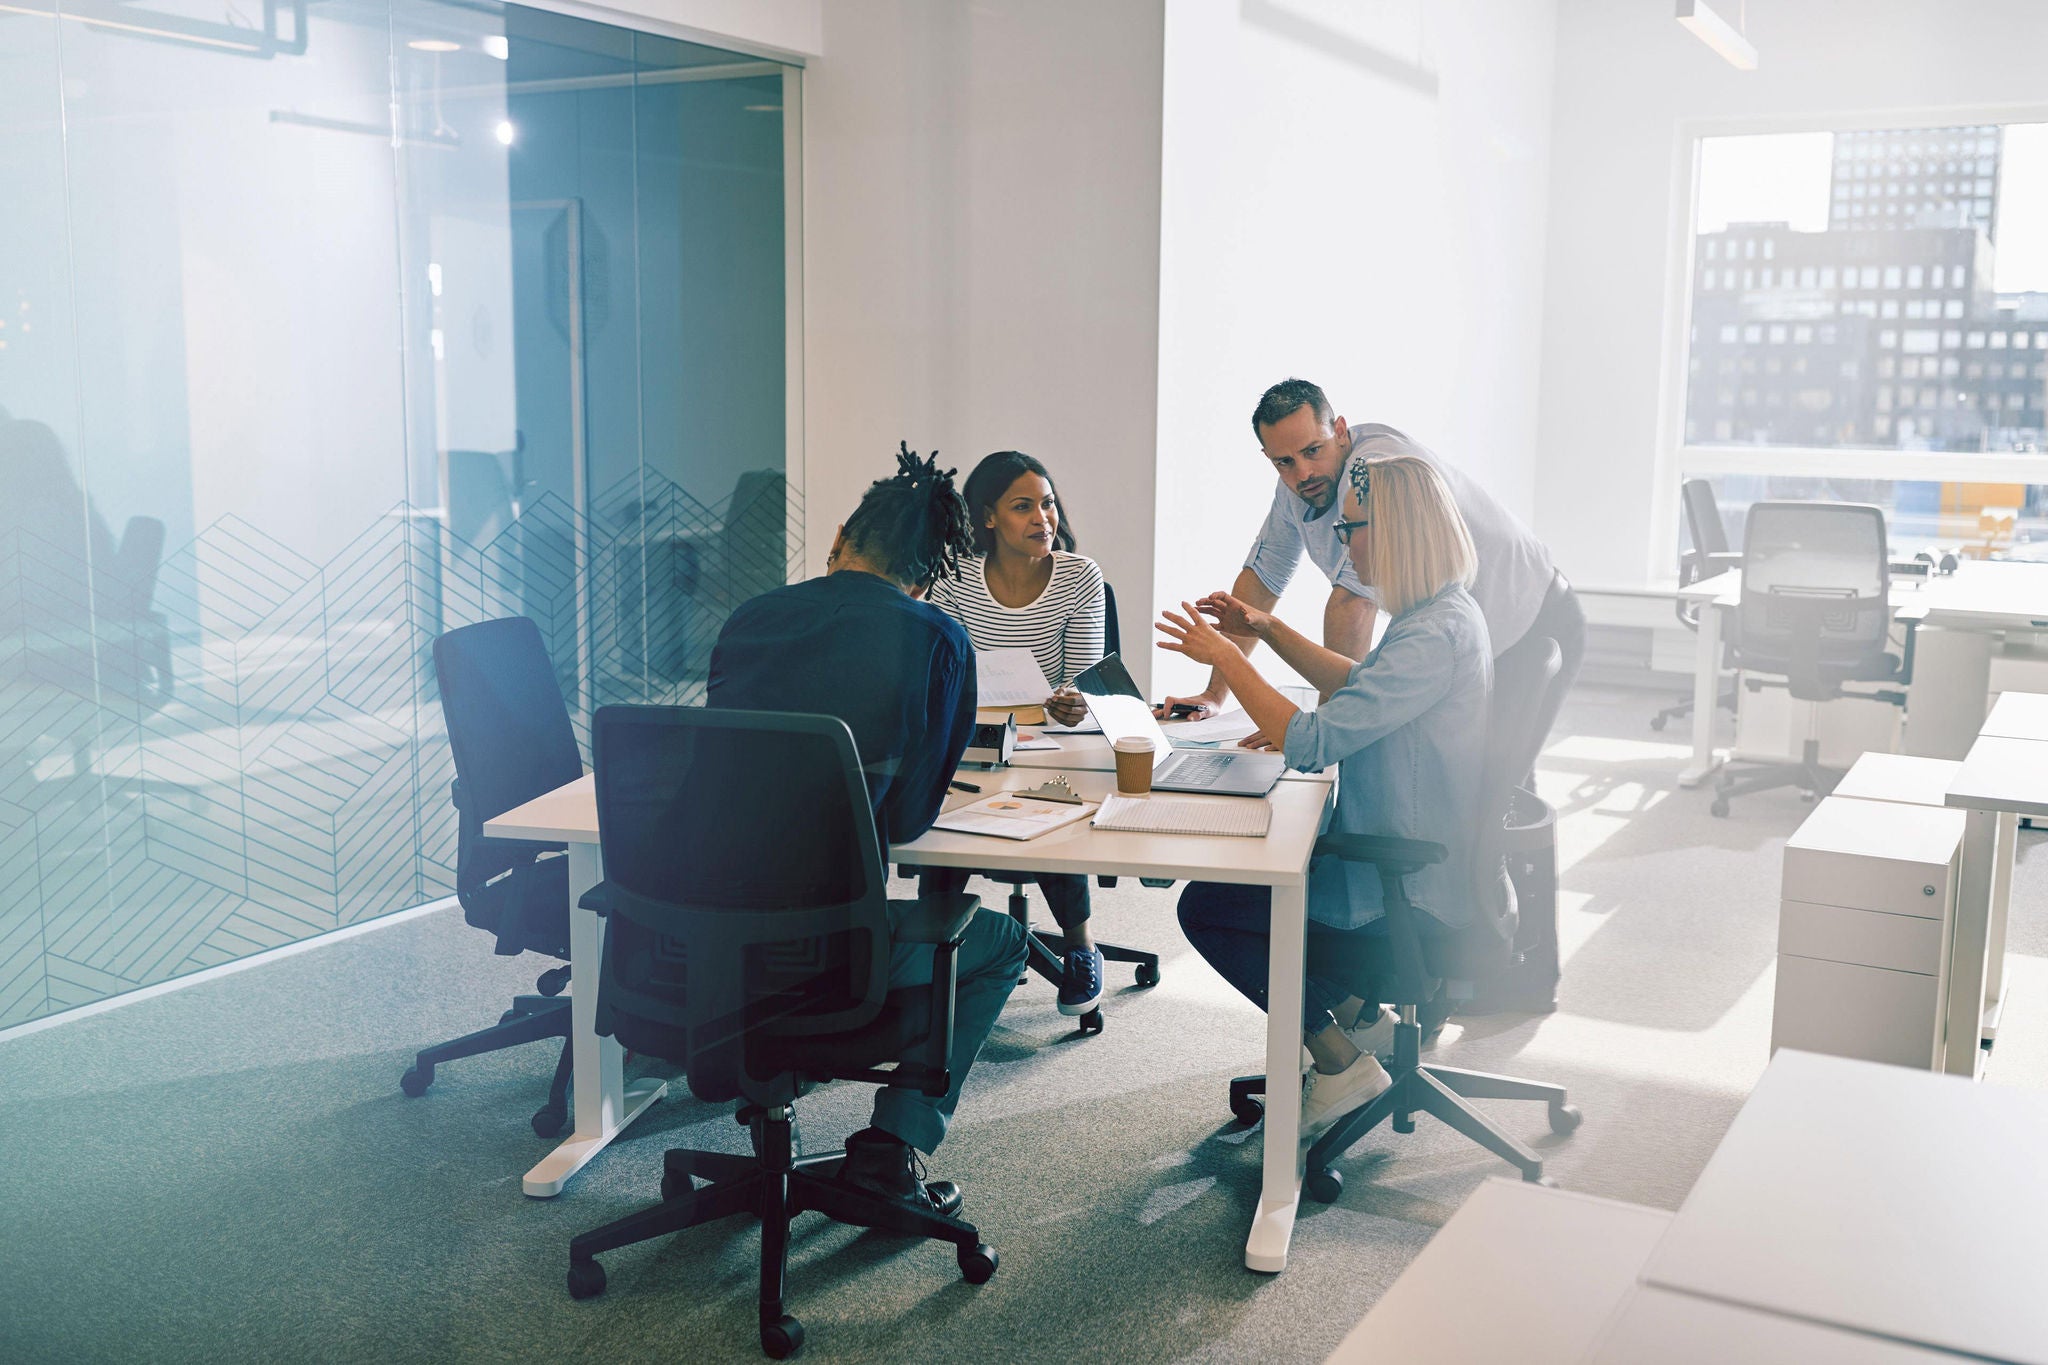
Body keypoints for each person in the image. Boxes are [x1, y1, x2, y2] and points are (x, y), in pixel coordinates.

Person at [707, 443, 1030, 1221]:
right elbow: (909, 820)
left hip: (709, 937)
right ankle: (892, 1146)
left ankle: (768, 1096)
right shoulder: (935, 639)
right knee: (1000, 945)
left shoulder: (750, 619)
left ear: (844, 531)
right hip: (834, 948)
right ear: (926, 577)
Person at [1153, 452, 1510, 1142]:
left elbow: (1312, 739)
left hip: (1408, 887)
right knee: (1255, 878)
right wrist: (1264, 627)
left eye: (1352, 529)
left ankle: (1341, 1058)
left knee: (1210, 906)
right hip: (1414, 864)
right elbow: (1357, 682)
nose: (1343, 545)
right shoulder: (1440, 614)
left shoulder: (1432, 634)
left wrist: (1226, 657)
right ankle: (1357, 1014)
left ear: (1397, 531)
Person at [1156, 379, 1583, 733]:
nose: (1302, 473)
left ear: (1340, 430)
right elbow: (1261, 582)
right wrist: (1215, 693)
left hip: (1533, 615)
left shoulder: (1374, 470)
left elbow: (1353, 602)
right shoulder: (1299, 487)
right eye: (1284, 461)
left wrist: (1325, 728)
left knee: (1496, 792)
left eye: (1313, 450)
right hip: (1465, 642)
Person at [923, 451, 1109, 1015]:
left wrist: (1077, 703)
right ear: (987, 518)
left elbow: (1086, 684)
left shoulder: (1079, 576)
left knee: (1054, 806)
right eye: (1022, 506)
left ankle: (1080, 946)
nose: (1042, 519)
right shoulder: (955, 577)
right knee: (945, 814)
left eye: (1047, 504)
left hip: (1052, 740)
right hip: (972, 735)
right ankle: (934, 949)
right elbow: (939, 669)